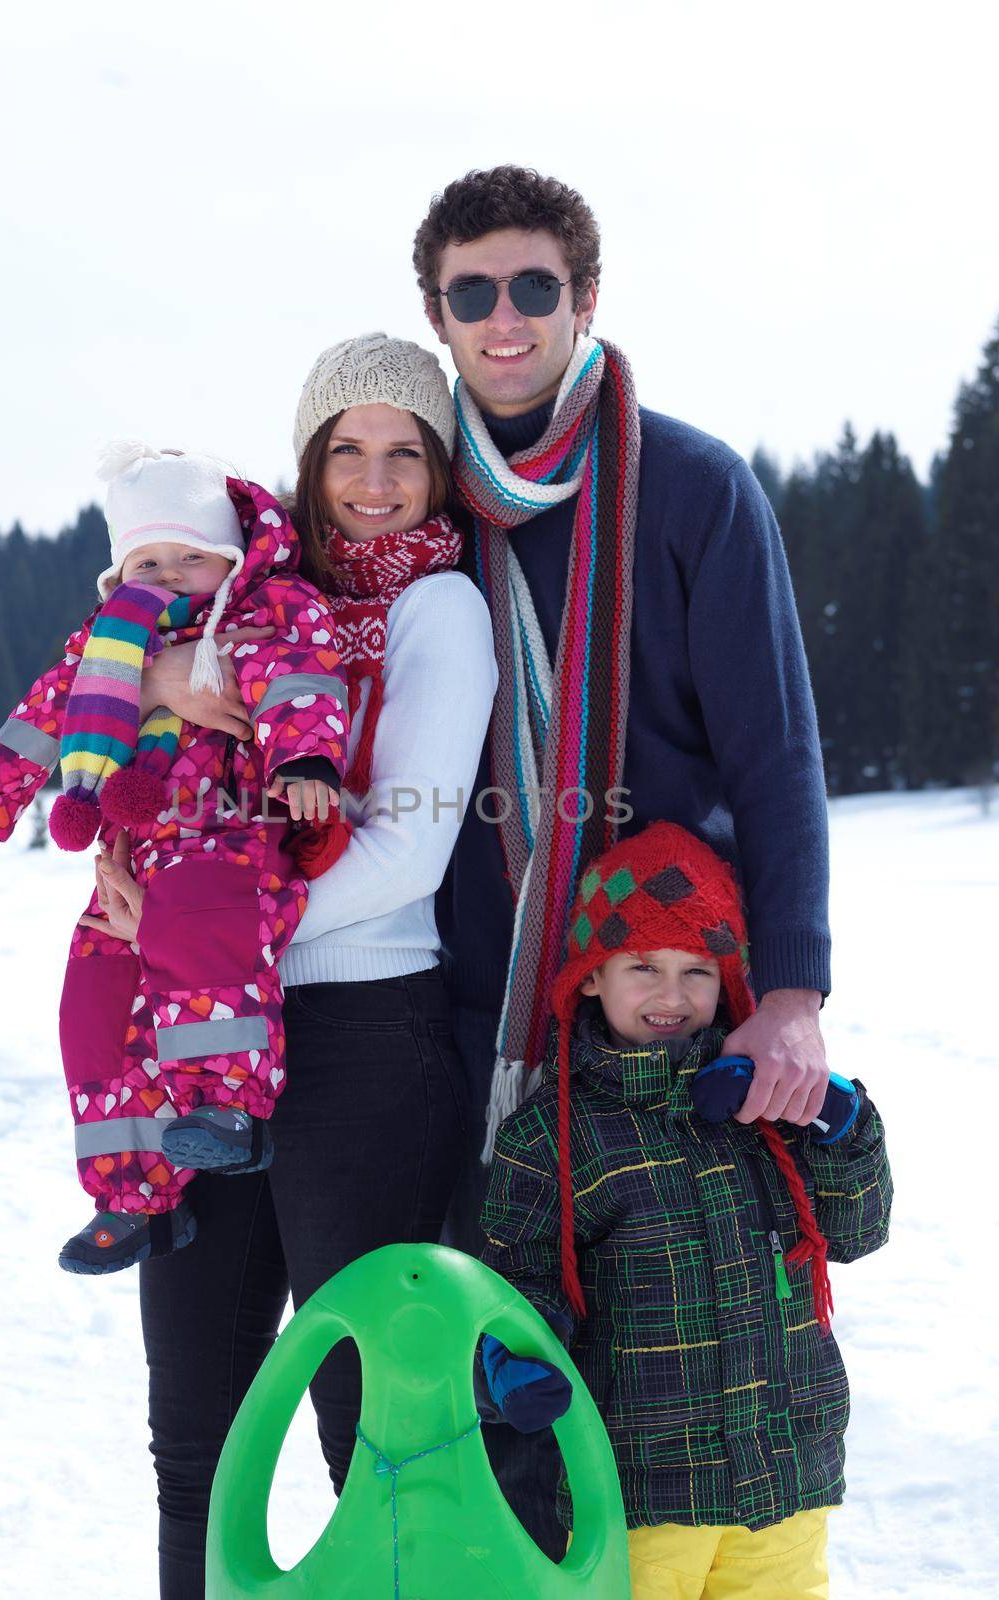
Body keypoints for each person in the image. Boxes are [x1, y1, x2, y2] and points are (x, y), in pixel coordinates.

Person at [414, 165, 835, 1554]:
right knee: (475, 1375)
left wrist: (793, 991)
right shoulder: (417, 505)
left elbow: (776, 756)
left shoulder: (693, 488)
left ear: (585, 298)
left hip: (657, 1005)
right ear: (440, 315)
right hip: (464, 995)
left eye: (534, 285)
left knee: (678, 1374)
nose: (506, 317)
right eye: (472, 292)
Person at [103, 333, 498, 1597]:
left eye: (403, 453)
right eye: (345, 451)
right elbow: (134, 750)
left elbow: (411, 852)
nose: (373, 481)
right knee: (195, 1435)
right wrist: (162, 679)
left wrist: (203, 923)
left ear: (439, 471)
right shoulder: (245, 606)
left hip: (364, 1034)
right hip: (202, 1043)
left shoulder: (441, 607)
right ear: (309, 464)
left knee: (365, 1425)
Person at [0, 446, 347, 1272]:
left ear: (229, 555)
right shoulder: (108, 645)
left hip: (230, 833)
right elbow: (44, 713)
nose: (170, 575)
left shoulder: (268, 610)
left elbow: (299, 680)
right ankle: (133, 1195)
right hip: (139, 850)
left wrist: (306, 761)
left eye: (190, 557)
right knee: (94, 997)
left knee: (201, 934)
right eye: (148, 561)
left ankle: (228, 1107)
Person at [479, 821, 892, 1599]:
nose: (671, 996)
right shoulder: (555, 1133)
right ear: (592, 977)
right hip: (642, 1498)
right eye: (642, 966)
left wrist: (843, 1126)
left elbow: (857, 1232)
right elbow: (517, 1279)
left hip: (785, 1479)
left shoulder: (769, 1104)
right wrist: (510, 1358)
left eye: (696, 970)